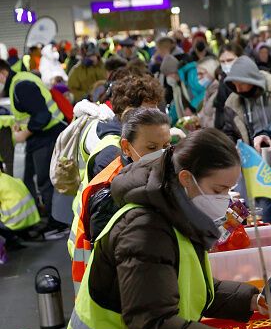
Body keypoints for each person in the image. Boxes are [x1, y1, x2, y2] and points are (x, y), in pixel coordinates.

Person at [63, 128, 271, 329]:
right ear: (186, 178)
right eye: (218, 189)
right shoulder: (143, 230)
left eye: (228, 191)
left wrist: (255, 299)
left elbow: (189, 287)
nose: (225, 201)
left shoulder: (177, 214)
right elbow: (154, 326)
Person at [71, 107, 172, 293]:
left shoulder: (156, 176)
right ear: (126, 147)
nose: (161, 154)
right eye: (151, 148)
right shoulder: (109, 193)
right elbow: (115, 267)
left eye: (166, 146)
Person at [67, 74, 165, 257]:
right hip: (91, 250)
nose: (155, 118)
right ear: (129, 111)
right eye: (149, 112)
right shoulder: (113, 151)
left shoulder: (112, 131)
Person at [0, 59, 68, 234]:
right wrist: (19, 125)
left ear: (2, 73)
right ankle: (42, 218)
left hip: (46, 137)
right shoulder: (20, 81)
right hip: (41, 137)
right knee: (30, 178)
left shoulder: (21, 85)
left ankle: (57, 223)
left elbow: (42, 115)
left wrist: (24, 133)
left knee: (46, 181)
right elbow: (29, 112)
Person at [222, 56, 271, 145]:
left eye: (241, 84)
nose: (238, 89)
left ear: (252, 79)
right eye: (234, 85)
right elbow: (230, 132)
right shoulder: (231, 104)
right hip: (254, 152)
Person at [214, 43, 243, 130]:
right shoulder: (223, 81)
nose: (226, 64)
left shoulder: (247, 80)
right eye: (222, 61)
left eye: (230, 60)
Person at [196, 57, 221, 128]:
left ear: (211, 71)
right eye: (197, 74)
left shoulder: (219, 92)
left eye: (201, 74)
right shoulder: (208, 91)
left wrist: (200, 120)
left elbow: (216, 123)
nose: (198, 77)